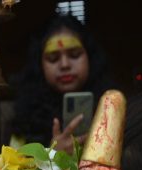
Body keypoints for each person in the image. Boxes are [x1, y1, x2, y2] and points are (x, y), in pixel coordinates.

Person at [7, 14, 116, 155]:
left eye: (74, 55)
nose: (64, 65)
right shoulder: (23, 120)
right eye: (53, 58)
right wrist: (53, 156)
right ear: (40, 66)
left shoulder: (112, 108)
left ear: (91, 58)